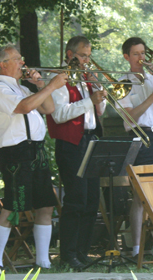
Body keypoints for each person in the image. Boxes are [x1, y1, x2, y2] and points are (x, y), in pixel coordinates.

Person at [0, 45, 68, 268]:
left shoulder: (20, 88)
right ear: (3, 65)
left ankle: (43, 261)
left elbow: (48, 108)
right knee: (12, 207)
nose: (23, 63)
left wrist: (42, 85)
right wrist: (51, 85)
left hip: (36, 151)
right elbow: (24, 108)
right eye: (17, 59)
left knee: (45, 205)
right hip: (16, 153)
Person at [46, 36, 107, 269]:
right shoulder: (60, 80)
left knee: (92, 201)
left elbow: (98, 111)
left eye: (89, 56)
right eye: (83, 56)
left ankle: (82, 252)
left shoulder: (86, 80)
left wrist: (98, 89)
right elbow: (59, 115)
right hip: (71, 144)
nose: (86, 61)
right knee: (76, 201)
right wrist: (90, 100)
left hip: (91, 140)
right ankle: (68, 254)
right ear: (70, 55)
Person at [117, 37, 153, 260]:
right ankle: (137, 249)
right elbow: (130, 117)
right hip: (140, 135)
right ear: (126, 57)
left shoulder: (152, 78)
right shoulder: (122, 83)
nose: (141, 58)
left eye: (143, 53)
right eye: (136, 54)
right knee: (140, 196)